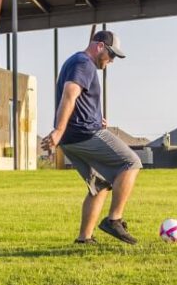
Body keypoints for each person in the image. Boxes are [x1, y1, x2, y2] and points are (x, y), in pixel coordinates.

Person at [41, 31, 141, 245]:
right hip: (83, 134)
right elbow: (70, 93)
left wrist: (95, 118)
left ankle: (84, 238)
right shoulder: (83, 62)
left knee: (100, 185)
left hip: (71, 138)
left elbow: (78, 99)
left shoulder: (75, 61)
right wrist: (58, 130)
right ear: (100, 46)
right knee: (131, 162)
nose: (112, 60)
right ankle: (114, 219)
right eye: (111, 54)